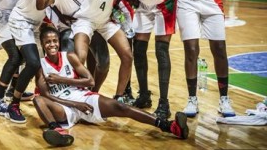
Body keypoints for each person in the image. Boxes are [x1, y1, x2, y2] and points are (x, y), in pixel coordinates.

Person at [34, 27, 189, 147]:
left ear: (59, 41)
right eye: (48, 42)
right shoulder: (40, 66)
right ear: (42, 44)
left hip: (83, 97)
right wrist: (75, 105)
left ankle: (169, 126)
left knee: (121, 107)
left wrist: (62, 79)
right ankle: (57, 130)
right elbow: (46, 96)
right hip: (64, 107)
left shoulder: (69, 56)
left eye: (55, 40)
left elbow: (90, 82)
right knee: (38, 100)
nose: (52, 44)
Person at [121, 0, 177, 119]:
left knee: (161, 51)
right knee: (139, 49)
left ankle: (164, 103)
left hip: (164, 3)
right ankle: (144, 95)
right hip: (144, 5)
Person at [36, 0, 110, 92]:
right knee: (72, 63)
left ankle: (94, 92)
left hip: (90, 24)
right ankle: (70, 94)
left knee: (104, 62)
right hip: (68, 29)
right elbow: (41, 5)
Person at [5, 0, 55, 123]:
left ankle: (44, 99)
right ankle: (14, 104)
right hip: (21, 20)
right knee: (33, 63)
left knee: (39, 67)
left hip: (37, 24)